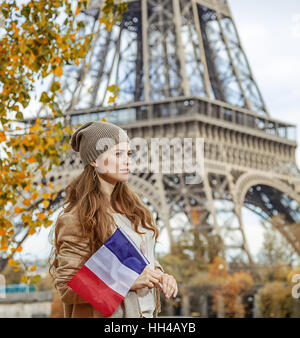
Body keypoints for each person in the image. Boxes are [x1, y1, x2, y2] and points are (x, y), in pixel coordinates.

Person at [49, 121, 178, 318]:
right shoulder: (77, 218)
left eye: (128, 154)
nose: (127, 161)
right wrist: (127, 281)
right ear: (94, 160)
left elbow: (141, 258)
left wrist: (159, 275)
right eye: (118, 154)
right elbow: (67, 287)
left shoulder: (134, 210)